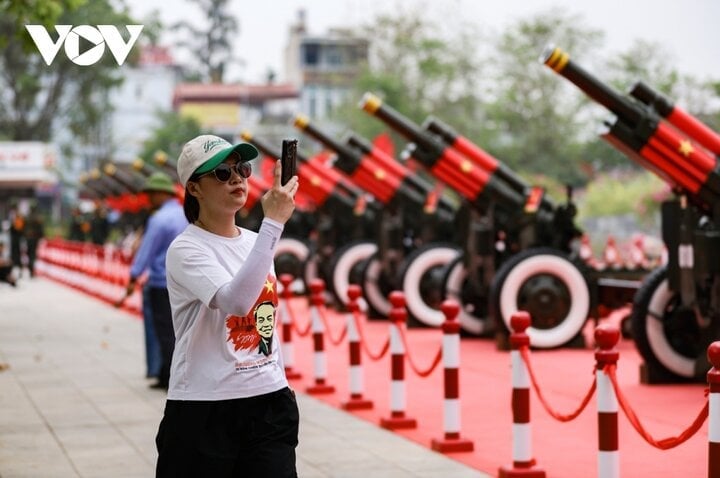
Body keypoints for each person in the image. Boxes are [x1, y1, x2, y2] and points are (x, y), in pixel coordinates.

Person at [156, 134, 300, 477]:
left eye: (242, 169)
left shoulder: (256, 241)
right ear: (194, 189)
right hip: (205, 409)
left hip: (268, 402)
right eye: (222, 173)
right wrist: (274, 223)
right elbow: (235, 302)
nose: (237, 178)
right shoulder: (186, 249)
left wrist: (278, 378)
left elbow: (265, 316)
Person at [125, 172, 187, 390]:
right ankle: (166, 373)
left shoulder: (159, 218)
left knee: (164, 332)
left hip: (161, 283)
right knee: (181, 331)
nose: (149, 199)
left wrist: (133, 275)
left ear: (162, 194)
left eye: (151, 194)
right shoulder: (185, 214)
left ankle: (169, 377)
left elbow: (146, 251)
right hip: (185, 283)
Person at [24, 206, 45, 277]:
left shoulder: (26, 217)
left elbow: (23, 228)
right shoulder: (37, 218)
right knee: (32, 254)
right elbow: (40, 228)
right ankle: (31, 270)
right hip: (34, 238)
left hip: (28, 238)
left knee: (29, 254)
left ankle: (30, 269)